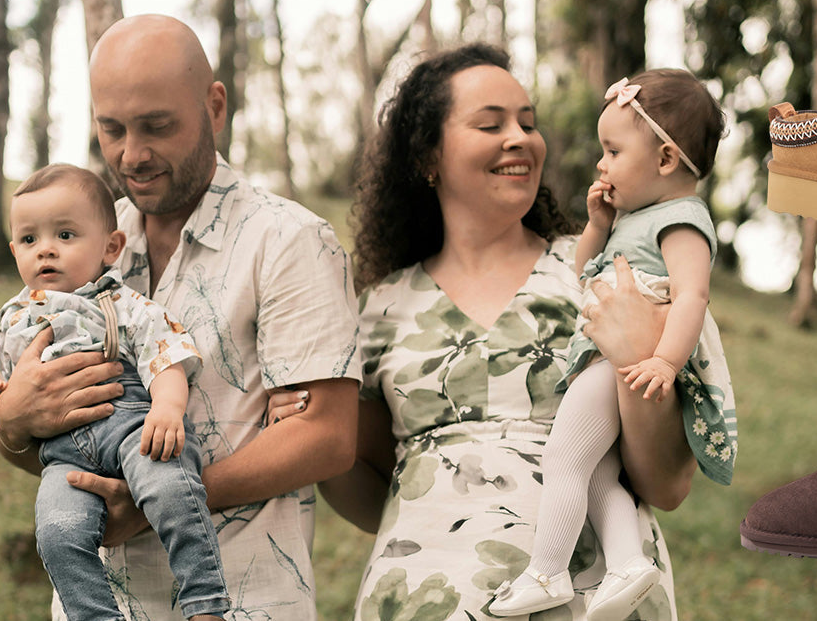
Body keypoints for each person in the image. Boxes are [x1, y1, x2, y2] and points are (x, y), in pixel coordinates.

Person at [0, 15, 361, 621]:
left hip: (243, 600)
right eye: (112, 129)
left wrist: (161, 496)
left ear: (214, 107)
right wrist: (13, 422)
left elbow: (329, 437)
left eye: (157, 126)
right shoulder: (85, 238)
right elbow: (40, 431)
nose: (132, 154)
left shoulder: (289, 241)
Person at [305, 43, 698, 621]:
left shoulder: (606, 271)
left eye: (528, 123)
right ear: (427, 157)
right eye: (491, 124)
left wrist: (638, 354)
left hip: (593, 599)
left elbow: (667, 484)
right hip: (423, 596)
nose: (519, 137)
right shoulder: (377, 310)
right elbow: (363, 483)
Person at [490, 70, 736, 619]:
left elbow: (693, 297)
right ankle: (627, 563)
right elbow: (584, 273)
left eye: (612, 150)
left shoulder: (682, 221)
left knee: (562, 459)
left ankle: (547, 572)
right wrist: (598, 226)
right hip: (604, 356)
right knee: (598, 472)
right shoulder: (634, 219)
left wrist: (664, 360)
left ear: (666, 159)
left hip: (622, 360)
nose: (601, 164)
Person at [0, 164, 229, 621]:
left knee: (171, 488)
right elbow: (6, 401)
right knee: (57, 532)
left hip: (129, 427)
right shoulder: (7, 323)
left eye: (65, 235)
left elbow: (163, 355)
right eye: (29, 240)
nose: (45, 249)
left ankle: (204, 601)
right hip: (62, 455)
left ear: (110, 246)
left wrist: (166, 406)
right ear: (14, 251)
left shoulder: (117, 302)